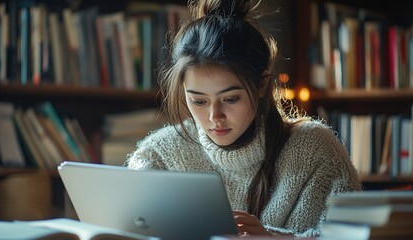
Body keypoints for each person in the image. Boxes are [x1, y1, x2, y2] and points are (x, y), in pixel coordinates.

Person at [126, 0, 362, 237]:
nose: (214, 116)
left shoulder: (315, 149)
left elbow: (354, 234)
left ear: (262, 84)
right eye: (198, 101)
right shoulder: (158, 155)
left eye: (230, 99)